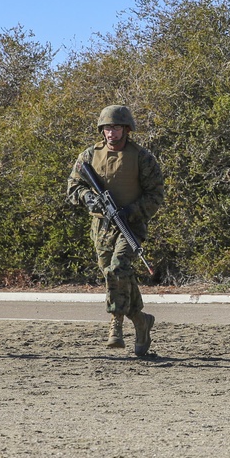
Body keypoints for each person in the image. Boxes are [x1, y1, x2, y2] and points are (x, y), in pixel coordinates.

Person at [67, 105, 165, 357]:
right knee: (117, 277)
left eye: (117, 127)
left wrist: (130, 212)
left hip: (130, 224)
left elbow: (156, 194)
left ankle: (116, 326)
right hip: (101, 226)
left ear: (126, 129)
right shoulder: (89, 155)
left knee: (118, 268)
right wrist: (88, 197)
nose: (112, 133)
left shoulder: (142, 157)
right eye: (108, 128)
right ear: (102, 130)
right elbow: (73, 187)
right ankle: (141, 321)